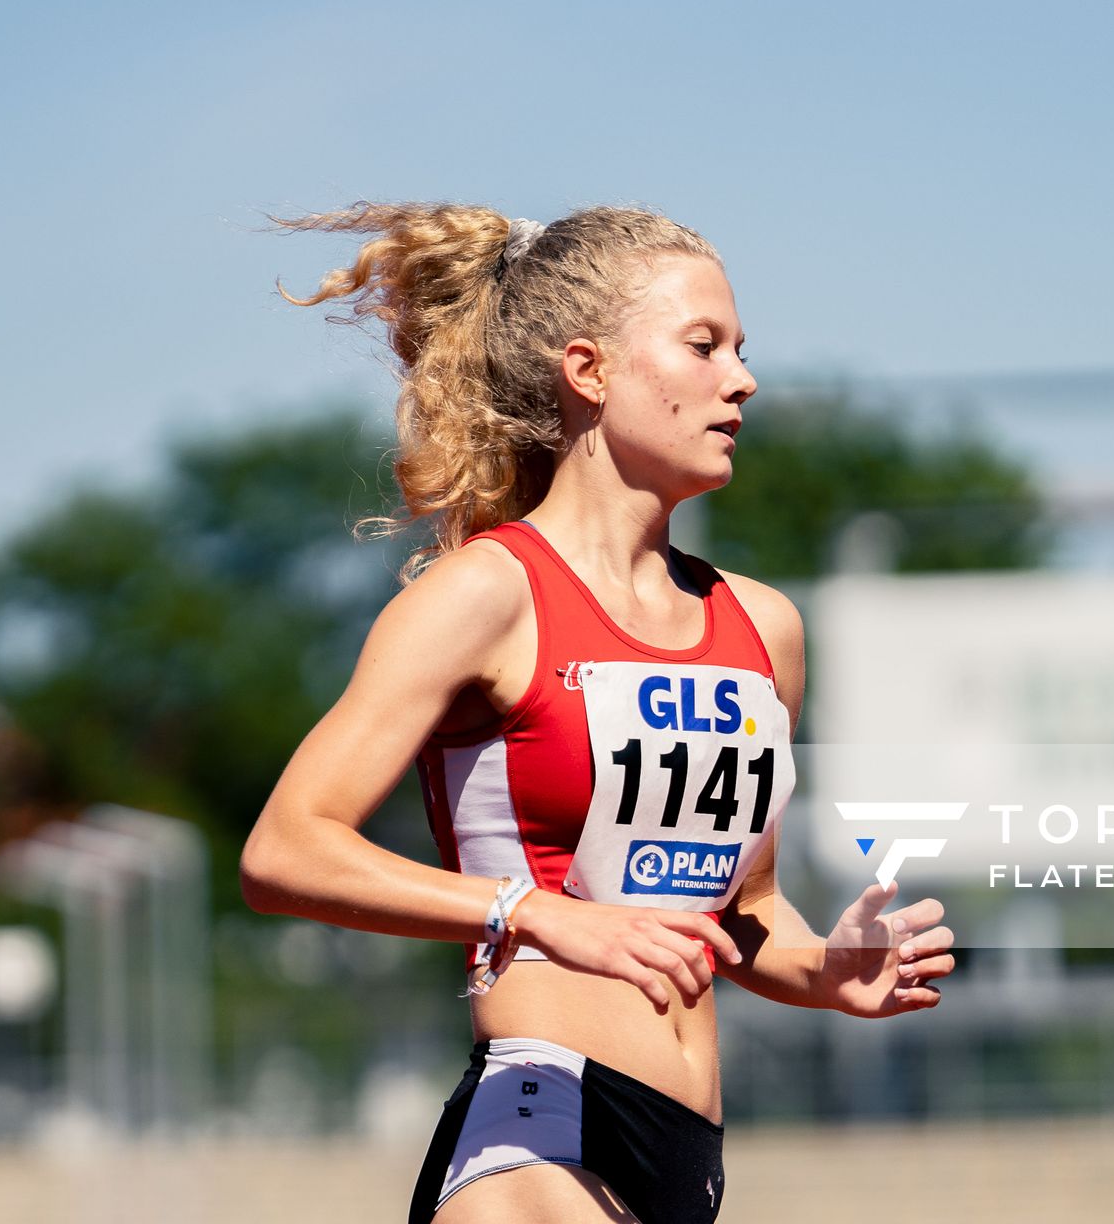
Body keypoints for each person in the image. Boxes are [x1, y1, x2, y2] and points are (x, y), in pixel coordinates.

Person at [239, 202, 955, 1223]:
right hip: (539, 1125)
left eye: (742, 350)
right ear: (590, 370)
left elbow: (740, 911)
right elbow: (284, 850)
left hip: (688, 1153)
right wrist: (532, 912)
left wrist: (829, 969)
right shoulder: (488, 595)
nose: (741, 379)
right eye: (702, 346)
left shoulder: (762, 626)